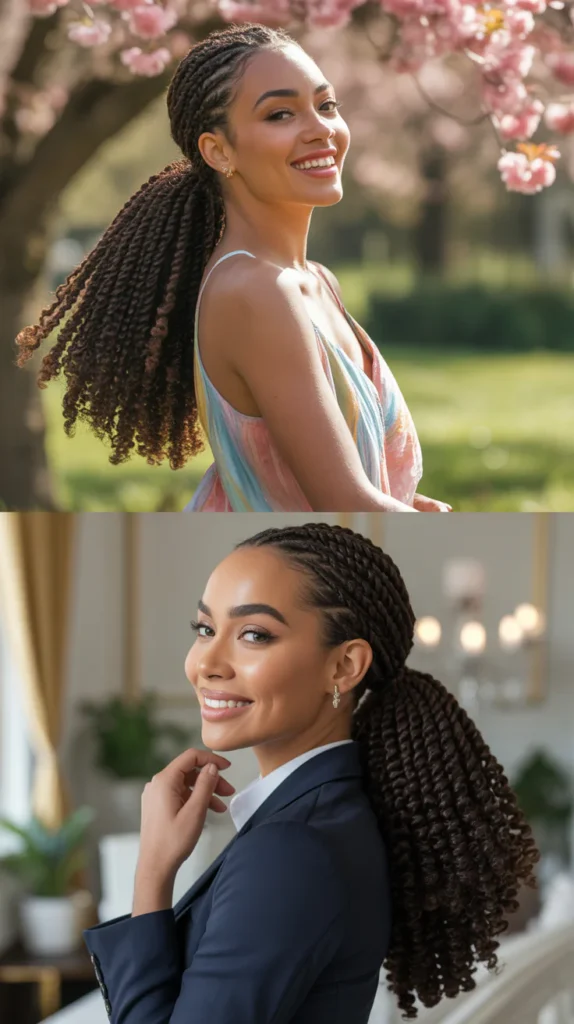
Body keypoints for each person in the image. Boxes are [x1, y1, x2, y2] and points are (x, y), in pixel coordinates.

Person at [83, 521, 538, 1024]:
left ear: (344, 666)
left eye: (254, 635)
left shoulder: (291, 850)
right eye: (205, 629)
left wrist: (152, 870)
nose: (206, 663)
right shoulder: (320, 820)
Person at [16, 24, 451, 514]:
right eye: (280, 113)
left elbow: (328, 488)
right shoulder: (255, 291)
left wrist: (407, 502)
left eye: (326, 105)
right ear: (219, 151)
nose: (320, 129)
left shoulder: (315, 282)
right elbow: (346, 506)